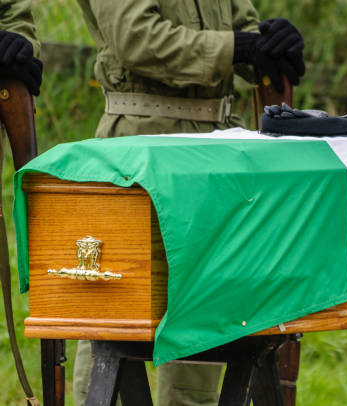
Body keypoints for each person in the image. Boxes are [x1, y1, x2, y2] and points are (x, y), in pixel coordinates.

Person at [72, 1, 305, 405]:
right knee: (115, 310)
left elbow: (242, 30)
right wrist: (237, 49)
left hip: (215, 150)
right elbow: (135, 37)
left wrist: (272, 43)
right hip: (140, 146)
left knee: (206, 308)